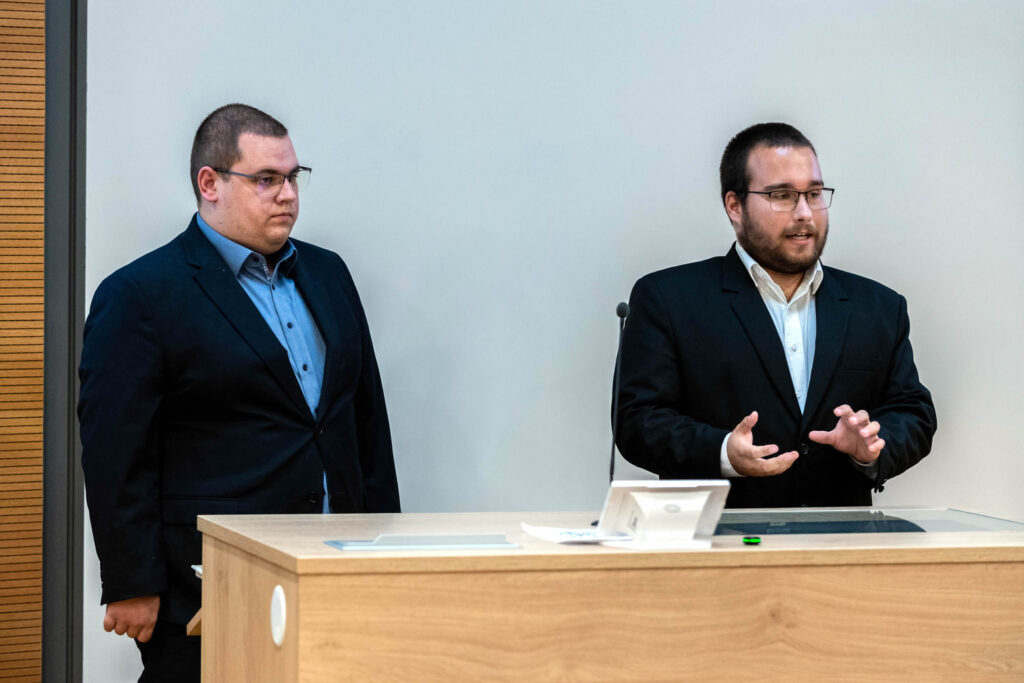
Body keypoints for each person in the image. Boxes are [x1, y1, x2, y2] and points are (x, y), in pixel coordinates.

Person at [79, 103, 400, 681]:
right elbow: (115, 454)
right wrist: (132, 580)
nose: (288, 195)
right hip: (210, 579)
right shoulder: (140, 294)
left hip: (336, 565)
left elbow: (364, 419)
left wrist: (387, 547)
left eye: (294, 177)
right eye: (266, 179)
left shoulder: (329, 273)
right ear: (210, 184)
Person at [615, 122, 936, 508]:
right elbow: (637, 421)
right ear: (735, 206)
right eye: (782, 196)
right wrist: (723, 451)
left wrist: (870, 445)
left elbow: (913, 413)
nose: (804, 213)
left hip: (840, 538)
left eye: (814, 194)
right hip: (717, 535)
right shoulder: (669, 298)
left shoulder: (879, 306)